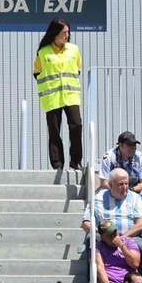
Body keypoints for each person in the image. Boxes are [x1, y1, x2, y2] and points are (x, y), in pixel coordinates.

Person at [35, 17, 83, 171]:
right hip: (52, 98)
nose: (67, 35)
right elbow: (37, 73)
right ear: (55, 33)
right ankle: (57, 164)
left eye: (68, 32)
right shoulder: (43, 52)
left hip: (71, 96)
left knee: (76, 126)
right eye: (64, 32)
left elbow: (78, 69)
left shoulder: (74, 49)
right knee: (54, 131)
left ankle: (75, 161)